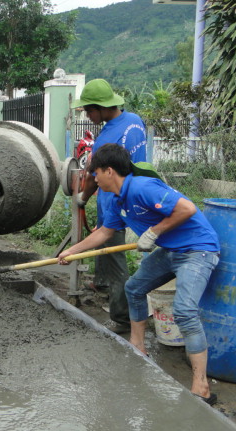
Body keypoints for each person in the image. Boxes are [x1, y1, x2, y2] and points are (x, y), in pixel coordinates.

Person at [58, 143, 220, 405]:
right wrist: (71, 252)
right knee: (134, 288)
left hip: (197, 250)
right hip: (171, 250)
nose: (93, 179)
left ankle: (201, 386)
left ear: (109, 171)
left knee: (184, 311)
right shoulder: (113, 198)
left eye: (95, 173)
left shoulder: (143, 187)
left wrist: (155, 231)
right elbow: (104, 232)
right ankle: (138, 347)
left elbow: (187, 209)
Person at [73, 78, 147, 334]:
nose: (87, 115)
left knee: (115, 259)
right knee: (104, 245)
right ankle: (102, 286)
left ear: (100, 108)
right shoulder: (135, 121)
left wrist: (82, 198)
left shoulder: (108, 137)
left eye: (88, 111)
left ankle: (123, 318)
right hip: (126, 198)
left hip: (117, 203)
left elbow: (95, 177)